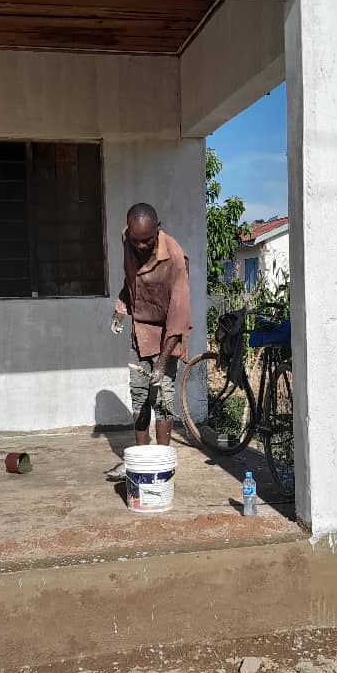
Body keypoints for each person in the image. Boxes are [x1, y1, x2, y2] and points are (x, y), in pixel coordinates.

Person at [108, 203, 191, 478]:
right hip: (139, 333)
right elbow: (131, 282)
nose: (141, 246)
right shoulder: (127, 239)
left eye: (147, 241)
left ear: (158, 228)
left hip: (167, 336)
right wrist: (120, 308)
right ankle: (140, 463)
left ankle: (162, 465)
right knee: (140, 397)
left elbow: (178, 319)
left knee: (164, 401)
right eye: (136, 241)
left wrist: (162, 363)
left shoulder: (175, 259)